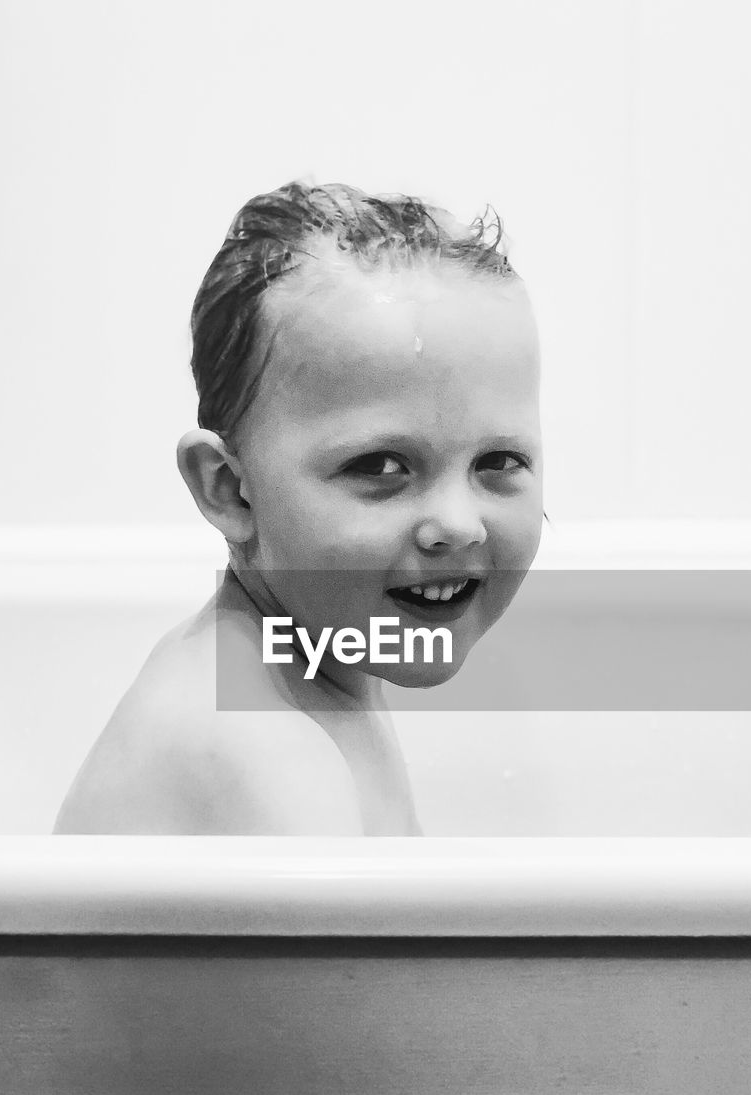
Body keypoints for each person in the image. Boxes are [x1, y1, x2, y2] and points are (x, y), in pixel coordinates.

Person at [53, 181, 543, 835]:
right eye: (380, 468)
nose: (457, 522)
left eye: (498, 463)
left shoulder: (312, 655)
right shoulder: (263, 760)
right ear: (228, 489)